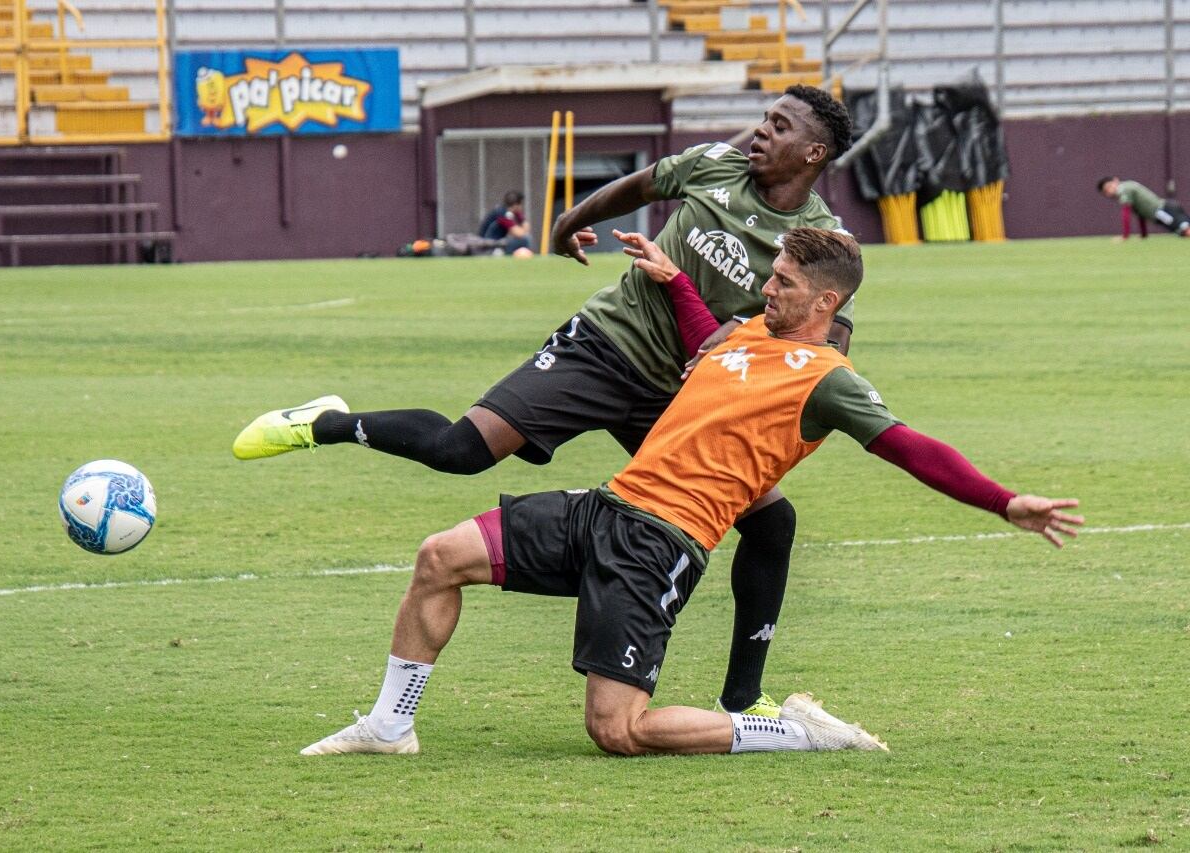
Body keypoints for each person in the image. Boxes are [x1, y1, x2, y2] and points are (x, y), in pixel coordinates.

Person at [296, 227, 1083, 758]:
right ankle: (388, 726)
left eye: (782, 282)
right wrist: (673, 279)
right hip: (605, 507)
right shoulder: (743, 335)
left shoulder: (830, 381)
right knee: (440, 556)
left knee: (617, 730)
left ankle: (791, 731)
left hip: (660, 544)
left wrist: (1004, 500)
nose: (765, 289)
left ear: (825, 303)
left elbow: (912, 447)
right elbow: (708, 330)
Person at [234, 85, 857, 720]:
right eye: (764, 118)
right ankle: (327, 422)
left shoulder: (820, 243)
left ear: (812, 153)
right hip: (603, 347)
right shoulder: (713, 165)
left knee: (772, 522)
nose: (760, 131)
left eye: (779, 127)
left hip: (678, 397)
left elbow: (828, 334)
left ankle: (744, 699)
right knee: (461, 450)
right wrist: (570, 222)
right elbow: (640, 186)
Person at [1096, 176, 1190, 239]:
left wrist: (1125, 236)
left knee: (1186, 231)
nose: (1110, 190)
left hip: (1163, 210)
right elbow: (1140, 213)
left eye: (1109, 186)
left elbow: (1126, 213)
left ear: (1115, 180)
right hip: (1165, 209)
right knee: (1183, 232)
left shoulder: (1123, 189)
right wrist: (1144, 234)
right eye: (1106, 191)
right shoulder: (1128, 186)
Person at [478, 189, 534, 257]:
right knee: (525, 239)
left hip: (497, 242)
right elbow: (518, 233)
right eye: (520, 204)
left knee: (526, 238)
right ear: (516, 205)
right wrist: (522, 227)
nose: (521, 207)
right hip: (489, 245)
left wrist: (520, 217)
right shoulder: (502, 213)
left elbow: (526, 229)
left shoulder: (508, 212)